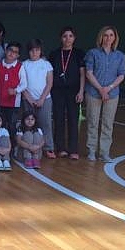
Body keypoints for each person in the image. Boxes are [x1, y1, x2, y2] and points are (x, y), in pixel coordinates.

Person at [84, 26, 125, 162]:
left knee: (108, 123)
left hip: (112, 94)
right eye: (106, 35)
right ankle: (91, 151)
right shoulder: (92, 53)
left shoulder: (120, 56)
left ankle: (104, 153)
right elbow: (89, 73)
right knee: (92, 122)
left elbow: (121, 75)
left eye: (111, 35)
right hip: (93, 93)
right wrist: (100, 89)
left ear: (115, 38)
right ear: (101, 37)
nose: (108, 38)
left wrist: (109, 88)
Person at [48, 26, 85, 159]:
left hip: (74, 90)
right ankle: (60, 148)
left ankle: (73, 149)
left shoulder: (79, 53)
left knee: (73, 119)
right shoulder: (54, 54)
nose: (67, 39)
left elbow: (82, 74)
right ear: (61, 38)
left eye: (70, 36)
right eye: (65, 36)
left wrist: (81, 91)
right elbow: (50, 74)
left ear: (74, 38)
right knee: (58, 118)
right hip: (57, 90)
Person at [21, 39, 54, 158]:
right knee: (28, 124)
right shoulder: (24, 65)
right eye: (32, 50)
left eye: (37, 50)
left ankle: (48, 148)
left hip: (45, 99)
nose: (34, 53)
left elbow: (49, 83)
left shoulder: (46, 64)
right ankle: (28, 146)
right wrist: (30, 99)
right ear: (28, 52)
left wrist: (41, 99)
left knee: (45, 123)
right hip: (28, 100)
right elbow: (22, 84)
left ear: (40, 51)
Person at [0, 42, 26, 136]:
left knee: (12, 126)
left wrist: (16, 91)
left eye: (15, 52)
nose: (12, 53)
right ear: (6, 51)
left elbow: (24, 84)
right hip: (0, 103)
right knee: (0, 126)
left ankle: (12, 145)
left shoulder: (20, 66)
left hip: (14, 104)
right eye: (10, 50)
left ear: (18, 55)